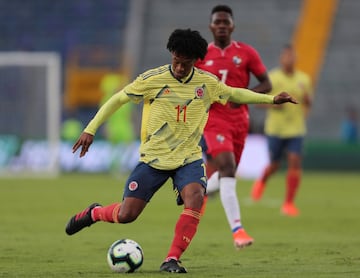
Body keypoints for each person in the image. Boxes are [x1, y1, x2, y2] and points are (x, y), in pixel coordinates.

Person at [65, 29, 297, 273]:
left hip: (188, 158)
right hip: (154, 159)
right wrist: (90, 129)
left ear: (195, 61)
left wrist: (271, 100)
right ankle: (94, 213)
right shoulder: (152, 79)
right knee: (127, 214)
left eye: (185, 64)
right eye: (176, 61)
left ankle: (172, 259)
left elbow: (233, 93)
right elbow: (118, 99)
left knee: (196, 198)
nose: (179, 67)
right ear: (172, 55)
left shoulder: (206, 83)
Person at [195, 5, 272, 249]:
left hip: (240, 121)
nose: (221, 26)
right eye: (217, 22)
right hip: (214, 120)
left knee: (228, 173)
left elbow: (267, 83)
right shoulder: (200, 55)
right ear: (210, 26)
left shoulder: (247, 53)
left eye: (225, 22)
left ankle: (199, 189)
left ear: (232, 26)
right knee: (226, 168)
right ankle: (238, 230)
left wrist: (244, 95)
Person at [251, 44, 312, 216]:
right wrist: (273, 105)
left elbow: (308, 103)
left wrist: (307, 102)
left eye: (292, 56)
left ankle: (289, 203)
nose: (289, 59)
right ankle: (261, 182)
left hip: (296, 129)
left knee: (294, 161)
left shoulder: (304, 79)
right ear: (281, 58)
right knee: (274, 165)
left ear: (296, 58)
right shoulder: (273, 78)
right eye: (286, 56)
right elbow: (257, 102)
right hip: (275, 129)